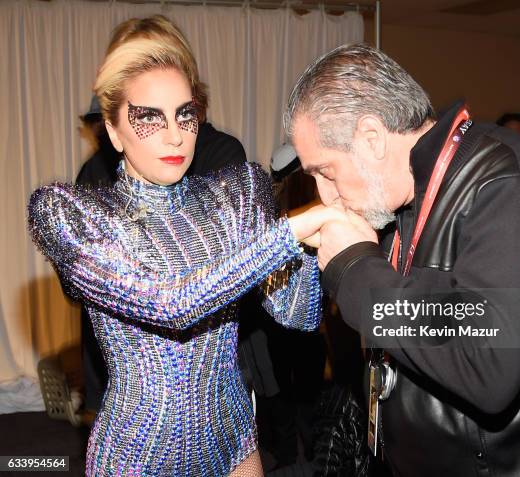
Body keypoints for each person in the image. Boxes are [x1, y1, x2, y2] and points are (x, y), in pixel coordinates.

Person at [284, 44, 520, 476]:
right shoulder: (396, 198)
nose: (326, 194)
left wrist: (356, 267)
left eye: (326, 172)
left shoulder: (513, 182)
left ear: (371, 138)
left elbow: (486, 361)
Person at [27, 29, 343, 477]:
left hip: (232, 441)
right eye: (149, 118)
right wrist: (288, 234)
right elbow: (173, 305)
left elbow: (297, 315)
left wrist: (319, 222)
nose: (175, 135)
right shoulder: (75, 215)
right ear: (114, 131)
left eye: (185, 114)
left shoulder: (235, 194)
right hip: (138, 455)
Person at [75, 16, 249, 414]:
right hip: (128, 400)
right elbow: (160, 300)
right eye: (148, 115)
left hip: (216, 392)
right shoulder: (91, 181)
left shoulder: (222, 160)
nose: (172, 134)